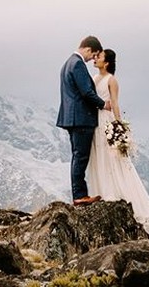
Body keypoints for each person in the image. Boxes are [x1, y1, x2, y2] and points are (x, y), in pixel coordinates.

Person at [86, 49, 149, 242]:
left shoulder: (111, 80)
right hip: (95, 121)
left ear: (106, 62)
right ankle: (102, 191)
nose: (95, 59)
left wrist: (119, 127)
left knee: (112, 158)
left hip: (106, 121)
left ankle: (116, 194)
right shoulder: (94, 77)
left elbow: (115, 103)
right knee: (99, 156)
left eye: (99, 57)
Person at [56, 36, 111, 206]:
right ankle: (80, 195)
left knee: (78, 156)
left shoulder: (67, 63)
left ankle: (80, 194)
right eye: (93, 55)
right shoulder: (78, 64)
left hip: (72, 118)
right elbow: (86, 92)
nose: (92, 59)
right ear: (87, 49)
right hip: (81, 118)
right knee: (81, 157)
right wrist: (103, 104)